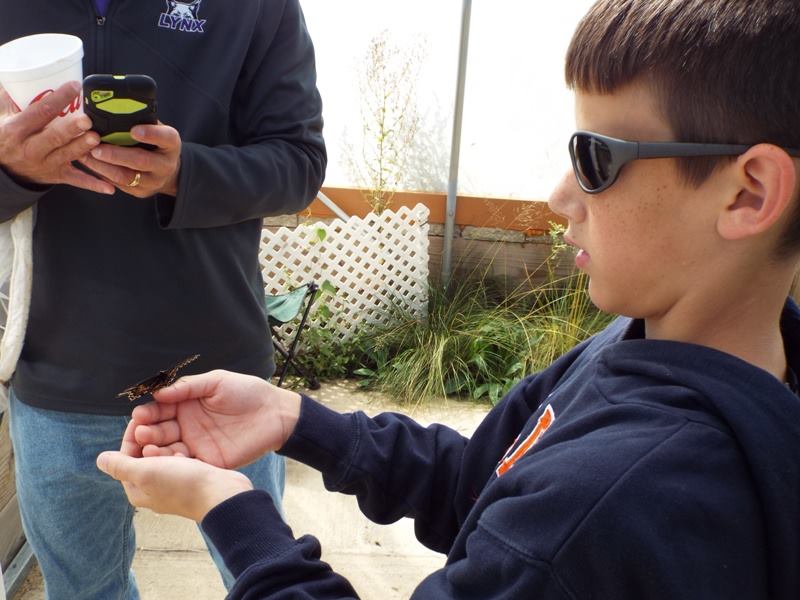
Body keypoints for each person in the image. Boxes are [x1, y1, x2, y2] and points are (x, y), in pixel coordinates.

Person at [97, 0, 800, 597]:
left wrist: (230, 511)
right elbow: (482, 483)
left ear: (749, 193)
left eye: (596, 159)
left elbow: (538, 524)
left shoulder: (605, 505)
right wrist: (296, 419)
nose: (560, 197)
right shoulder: (647, 345)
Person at [0, 0, 325, 598]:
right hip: (53, 383)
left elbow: (300, 164)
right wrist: (12, 172)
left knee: (267, 583)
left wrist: (184, 174)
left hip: (221, 381)